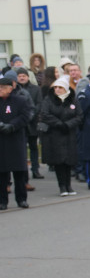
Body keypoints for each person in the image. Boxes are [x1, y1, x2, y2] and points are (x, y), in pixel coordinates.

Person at [0, 72, 33, 209]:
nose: (0, 90)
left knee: (19, 172)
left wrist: (13, 125)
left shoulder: (20, 100)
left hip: (16, 139)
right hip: (1, 140)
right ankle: (2, 201)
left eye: (2, 88)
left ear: (10, 88)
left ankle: (21, 199)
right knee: (2, 173)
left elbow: (25, 116)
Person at [15, 68, 43, 181]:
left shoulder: (35, 89)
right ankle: (21, 170)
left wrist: (29, 116)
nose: (22, 78)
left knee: (33, 147)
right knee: (20, 149)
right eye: (20, 76)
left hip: (32, 123)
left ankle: (35, 169)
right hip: (20, 124)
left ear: (28, 77)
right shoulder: (15, 90)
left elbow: (39, 104)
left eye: (24, 76)